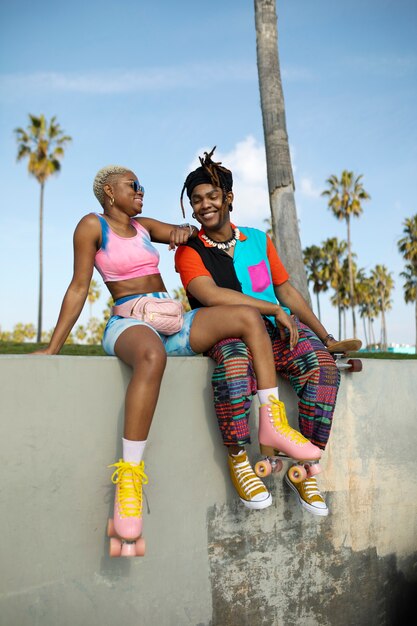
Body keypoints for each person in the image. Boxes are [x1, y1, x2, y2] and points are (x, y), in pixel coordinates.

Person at [34, 165, 320, 557]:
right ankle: (129, 483)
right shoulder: (92, 226)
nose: (141, 191)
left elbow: (182, 232)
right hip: (130, 322)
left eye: (142, 185)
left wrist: (188, 230)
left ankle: (272, 423)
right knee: (151, 357)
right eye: (133, 186)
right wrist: (54, 347)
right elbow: (79, 286)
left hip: (172, 322)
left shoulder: (142, 225)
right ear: (108, 192)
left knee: (247, 318)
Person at [175, 148, 341, 517]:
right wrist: (273, 309)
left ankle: (303, 469)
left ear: (228, 198)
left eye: (212, 196)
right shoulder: (190, 251)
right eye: (196, 200)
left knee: (323, 368)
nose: (205, 205)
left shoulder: (257, 239)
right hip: (229, 336)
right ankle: (238, 460)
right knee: (233, 368)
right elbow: (211, 295)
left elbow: (284, 290)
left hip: (275, 334)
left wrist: (324, 337)